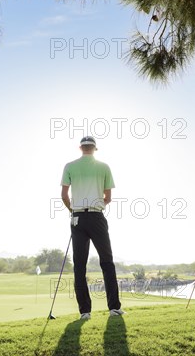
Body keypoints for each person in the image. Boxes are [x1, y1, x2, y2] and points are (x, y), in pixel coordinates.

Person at [61, 136, 124, 319]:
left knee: (79, 266)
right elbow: (108, 198)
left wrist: (73, 210)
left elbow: (64, 196)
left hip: (77, 217)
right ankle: (114, 308)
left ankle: (85, 312)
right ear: (95, 149)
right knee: (107, 262)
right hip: (97, 216)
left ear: (80, 148)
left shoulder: (70, 166)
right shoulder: (104, 167)